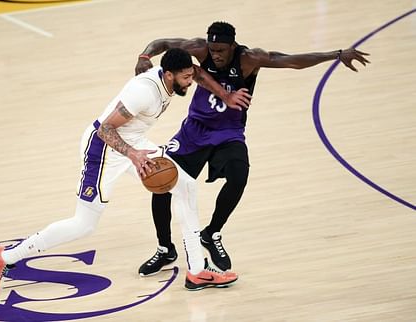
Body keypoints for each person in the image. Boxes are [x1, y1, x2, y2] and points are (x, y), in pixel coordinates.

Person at [0, 48, 255, 298]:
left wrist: (224, 94)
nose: (189, 82)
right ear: (169, 75)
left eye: (190, 76)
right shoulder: (145, 92)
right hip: (103, 149)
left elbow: (197, 72)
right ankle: (4, 257)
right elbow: (105, 129)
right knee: (84, 224)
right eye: (185, 78)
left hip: (134, 142)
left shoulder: (177, 73)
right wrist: (133, 155)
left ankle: (197, 271)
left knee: (185, 186)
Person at [135, 21, 370, 276]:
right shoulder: (200, 49)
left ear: (233, 46)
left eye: (221, 50)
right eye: (212, 49)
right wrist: (145, 55)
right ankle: (164, 248)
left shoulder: (249, 59)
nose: (216, 54)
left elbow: (291, 60)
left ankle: (211, 233)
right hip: (195, 129)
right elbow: (164, 43)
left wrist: (335, 55)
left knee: (239, 177)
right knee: (161, 181)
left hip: (229, 132)